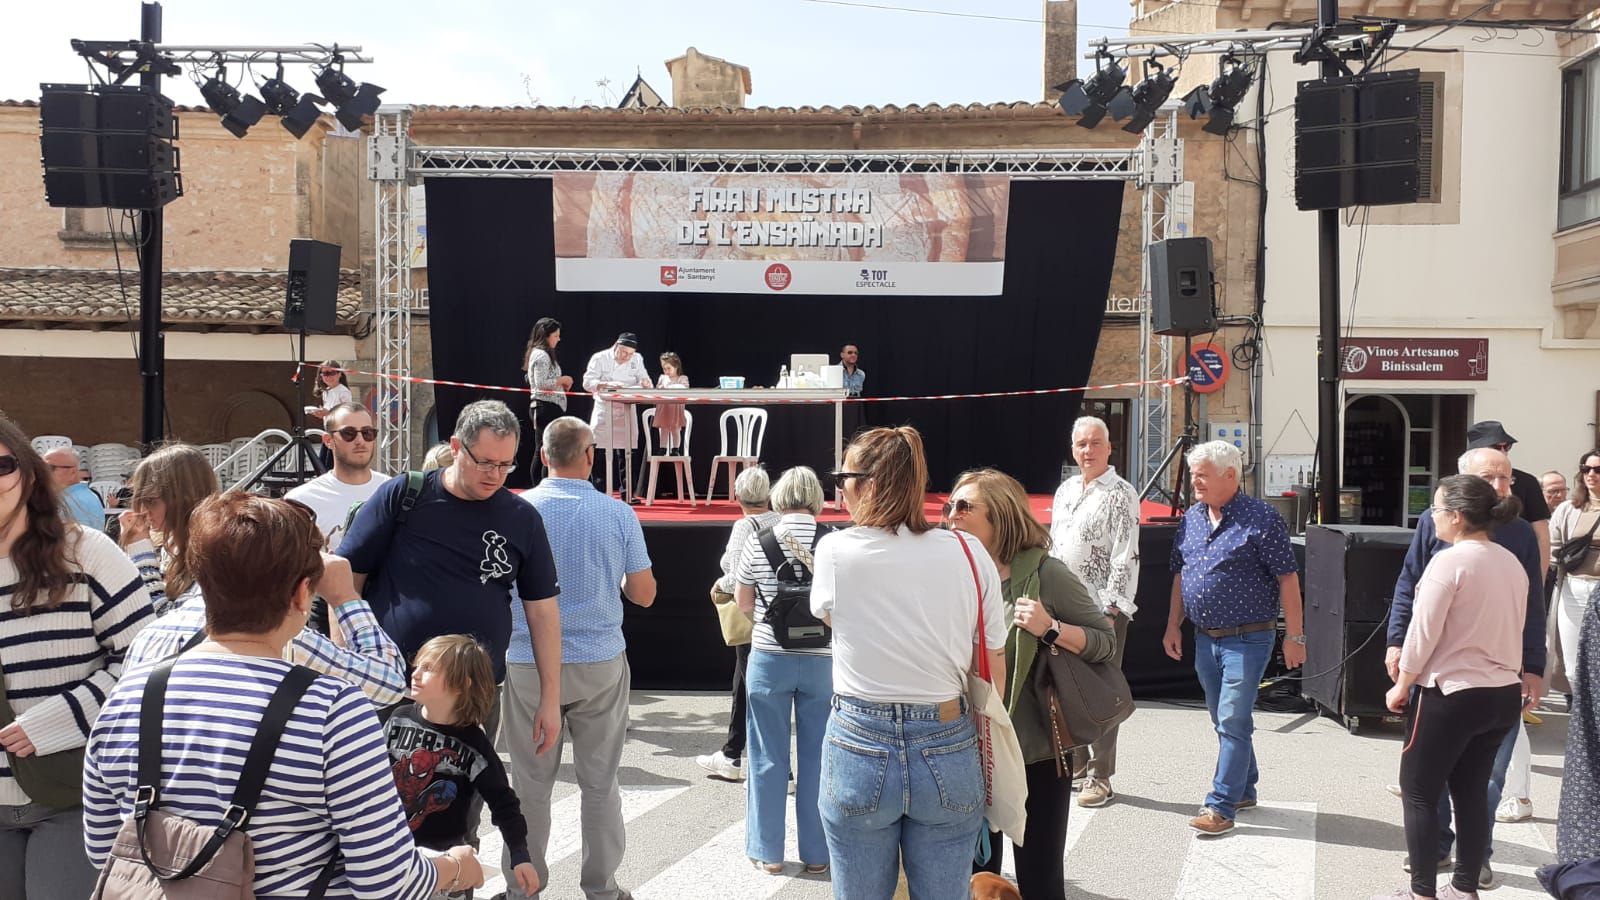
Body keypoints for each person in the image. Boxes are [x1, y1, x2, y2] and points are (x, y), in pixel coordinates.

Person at [82, 492, 482, 899]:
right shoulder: (333, 710)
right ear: (300, 593)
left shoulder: (129, 695)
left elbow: (104, 850)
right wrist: (454, 868)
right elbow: (386, 882)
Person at [809, 426, 1007, 899]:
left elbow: (836, 620)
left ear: (870, 484)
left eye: (844, 477)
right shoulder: (968, 551)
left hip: (860, 736)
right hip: (947, 735)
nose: (840, 488)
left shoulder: (836, 550)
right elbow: (993, 666)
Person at [339, 399, 562, 766]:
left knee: (460, 816)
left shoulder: (522, 518)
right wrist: (349, 668)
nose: (495, 474)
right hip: (395, 690)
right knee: (378, 809)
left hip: (475, 696)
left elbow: (543, 613)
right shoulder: (404, 496)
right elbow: (345, 580)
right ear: (457, 447)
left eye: (506, 465)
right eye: (486, 462)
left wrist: (550, 699)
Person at [0, 416, 154, 900]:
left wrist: (56, 721)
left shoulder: (84, 552)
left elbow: (147, 662)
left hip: (76, 796)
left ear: (25, 469)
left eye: (1, 464)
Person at [503, 416, 655, 900]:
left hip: (527, 660)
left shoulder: (515, 510)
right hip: (598, 660)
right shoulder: (617, 514)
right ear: (590, 456)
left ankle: (521, 886)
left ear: (544, 456)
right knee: (600, 783)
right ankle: (602, 889)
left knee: (530, 787)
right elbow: (644, 595)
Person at [1386, 447, 1546, 889]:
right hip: (1499, 693)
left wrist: (1402, 683)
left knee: (1419, 791)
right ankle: (1464, 887)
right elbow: (1523, 619)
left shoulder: (1449, 561)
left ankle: (1422, 892)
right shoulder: (1509, 561)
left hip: (1451, 692)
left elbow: (1423, 633)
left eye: (1437, 509)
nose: (1432, 517)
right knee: (1472, 792)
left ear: (1457, 516)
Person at [956, 468, 1115, 900]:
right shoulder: (958, 572)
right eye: (952, 505)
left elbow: (1105, 641)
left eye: (964, 506)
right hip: (970, 747)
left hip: (1037, 752)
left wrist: (1050, 627)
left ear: (1001, 515)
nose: (951, 515)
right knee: (974, 877)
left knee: (1039, 879)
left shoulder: (1046, 574)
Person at [1164, 440, 1306, 837]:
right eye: (1194, 474)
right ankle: (1245, 787)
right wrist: (1173, 625)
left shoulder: (1261, 518)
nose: (1195, 481)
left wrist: (1294, 636)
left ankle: (1221, 805)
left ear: (1230, 475)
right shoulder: (1191, 518)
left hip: (1249, 638)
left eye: (1202, 474)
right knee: (1225, 718)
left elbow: (1288, 578)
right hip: (1205, 638)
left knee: (1231, 717)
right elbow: (1180, 573)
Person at [124, 539, 409, 708]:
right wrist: (346, 598)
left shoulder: (148, 637)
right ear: (300, 588)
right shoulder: (285, 639)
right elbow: (389, 685)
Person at [734, 466, 834, 877]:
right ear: (816, 497)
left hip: (770, 657)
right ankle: (818, 853)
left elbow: (742, 601)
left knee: (767, 756)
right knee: (819, 757)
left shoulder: (757, 541)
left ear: (778, 498)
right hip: (822, 660)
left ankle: (768, 851)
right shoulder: (833, 541)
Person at [387, 635, 539, 900]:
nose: (416, 673)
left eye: (429, 668)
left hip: (449, 868)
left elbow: (504, 803)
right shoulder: (397, 719)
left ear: (461, 684)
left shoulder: (474, 745)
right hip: (393, 855)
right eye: (418, 664)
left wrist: (520, 854)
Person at [1049, 415, 1141, 808]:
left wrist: (1113, 607)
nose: (1088, 451)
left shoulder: (1121, 493)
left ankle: (1100, 776)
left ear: (1109, 448)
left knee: (1102, 690)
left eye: (1095, 443)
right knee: (1063, 686)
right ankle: (1076, 764)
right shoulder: (1065, 489)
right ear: (1073, 449)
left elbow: (1126, 553)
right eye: (1081, 444)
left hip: (1100, 608)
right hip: (1060, 605)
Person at [697, 465, 780, 782]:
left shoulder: (744, 527)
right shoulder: (781, 521)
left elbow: (736, 574)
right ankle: (731, 753)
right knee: (743, 685)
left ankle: (775, 769)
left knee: (755, 690)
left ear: (738, 496)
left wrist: (719, 585)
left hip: (752, 614)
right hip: (779, 614)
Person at [118, 442, 220, 617]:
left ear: (183, 499)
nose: (143, 510)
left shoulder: (212, 553)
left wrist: (141, 553)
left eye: (151, 501)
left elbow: (164, 620)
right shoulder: (164, 544)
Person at [286, 402, 387, 550]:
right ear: (328, 440)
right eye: (348, 433)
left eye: (367, 433)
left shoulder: (393, 491)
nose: (360, 441)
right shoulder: (301, 501)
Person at [1467, 421, 1551, 574]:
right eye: (1496, 446)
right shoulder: (1458, 483)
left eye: (1507, 446)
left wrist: (1540, 580)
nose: (1503, 451)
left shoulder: (1527, 482)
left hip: (1515, 567)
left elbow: (1542, 535)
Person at [1552, 450, 1600, 700]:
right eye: (1586, 469)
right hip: (1574, 588)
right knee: (1572, 662)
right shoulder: (1568, 509)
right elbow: (1552, 548)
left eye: (1597, 469)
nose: (1591, 474)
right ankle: (1582, 722)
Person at [582, 333, 652, 497]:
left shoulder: (637, 359)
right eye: (623, 353)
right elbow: (587, 382)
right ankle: (598, 491)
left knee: (626, 451)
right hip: (604, 409)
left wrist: (646, 382)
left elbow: (644, 378)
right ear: (616, 346)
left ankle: (627, 492)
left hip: (626, 409)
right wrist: (604, 384)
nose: (627, 357)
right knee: (599, 450)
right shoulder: (600, 358)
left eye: (630, 354)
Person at [524, 317, 574, 485]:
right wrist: (563, 380)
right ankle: (539, 484)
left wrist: (561, 386)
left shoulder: (542, 354)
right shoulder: (541, 355)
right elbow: (541, 384)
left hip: (551, 406)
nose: (558, 339)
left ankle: (544, 483)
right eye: (555, 335)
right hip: (544, 406)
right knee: (543, 448)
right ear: (546, 335)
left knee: (547, 448)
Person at [42, 446, 103, 531]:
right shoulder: (84, 495)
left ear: (72, 471)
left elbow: (74, 541)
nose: (43, 472)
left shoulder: (72, 502)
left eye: (49, 468)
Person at [653, 351, 689, 454]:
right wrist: (662, 386)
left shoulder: (682, 378)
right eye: (664, 368)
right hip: (664, 408)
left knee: (675, 429)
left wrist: (671, 387)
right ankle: (662, 448)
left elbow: (684, 389)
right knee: (664, 429)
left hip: (676, 409)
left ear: (676, 366)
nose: (666, 371)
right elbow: (657, 390)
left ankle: (675, 449)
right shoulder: (663, 378)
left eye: (669, 368)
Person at [840, 343, 866, 437]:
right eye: (850, 352)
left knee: (857, 433)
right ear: (842, 355)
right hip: (841, 405)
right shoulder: (835, 371)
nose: (853, 355)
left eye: (855, 353)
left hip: (857, 405)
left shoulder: (861, 374)